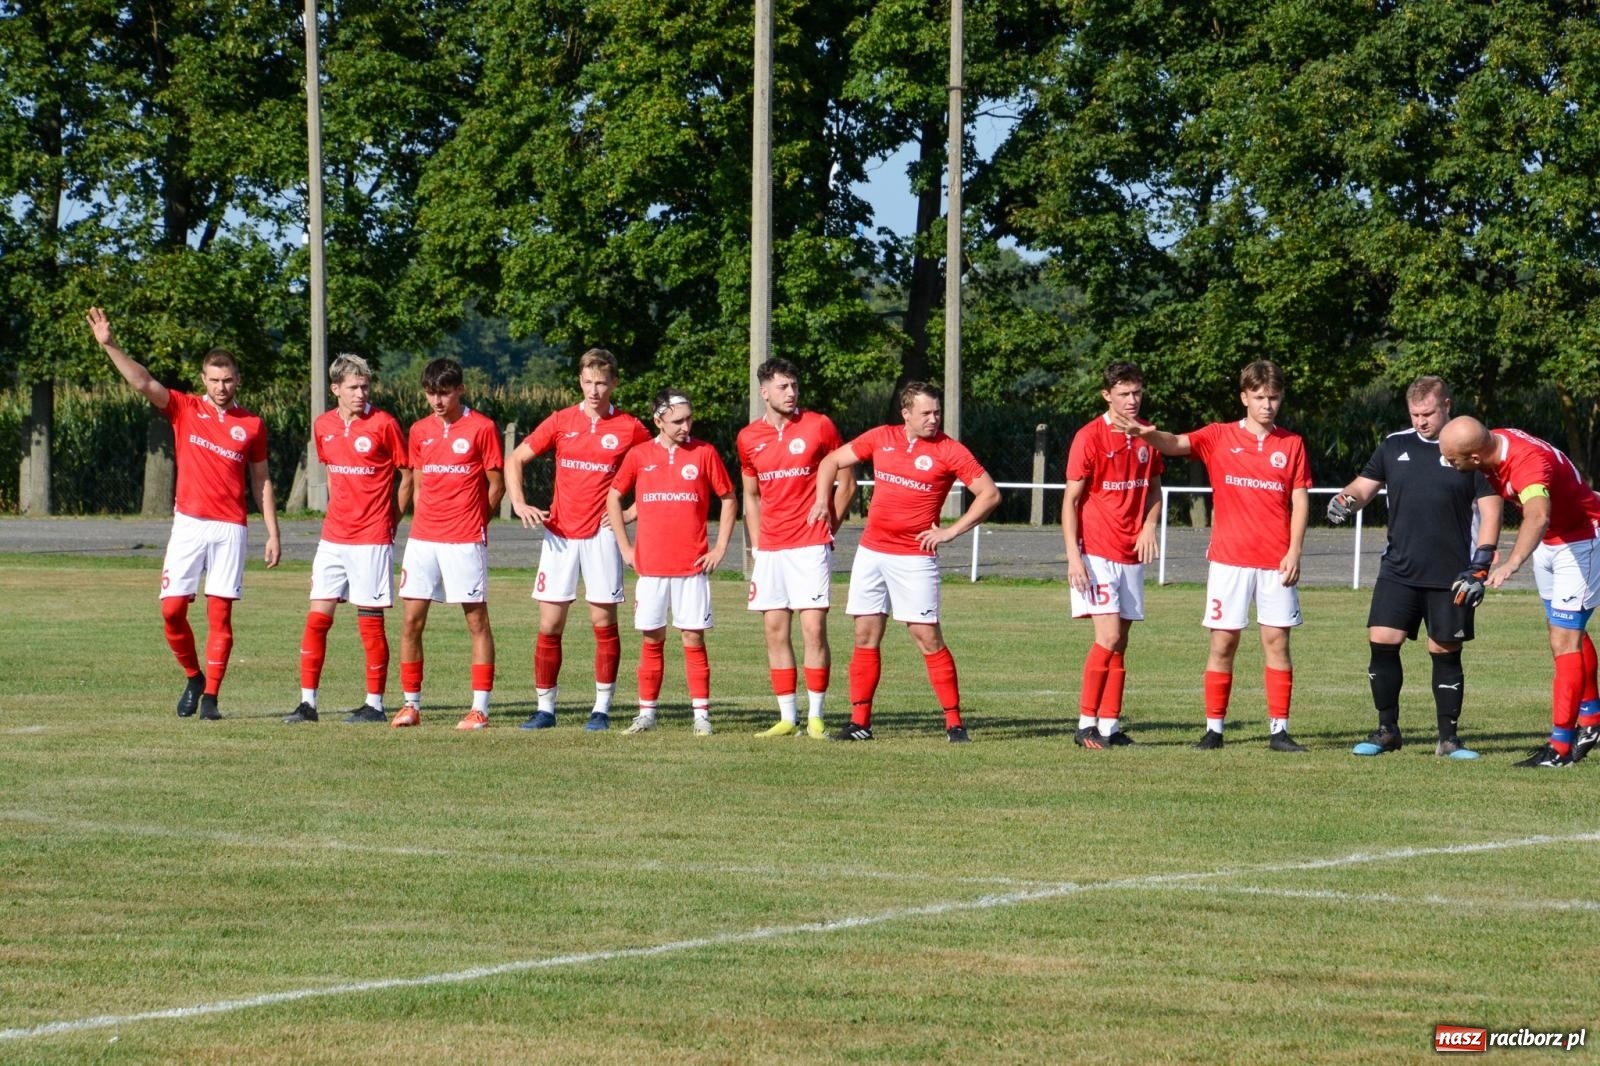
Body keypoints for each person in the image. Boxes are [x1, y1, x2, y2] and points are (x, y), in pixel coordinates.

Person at [86, 307, 280, 720]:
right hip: (189, 524)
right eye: (215, 380)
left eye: (228, 380)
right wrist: (110, 345)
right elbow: (143, 381)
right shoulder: (184, 408)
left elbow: (261, 480)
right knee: (172, 610)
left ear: (238, 380)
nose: (222, 387)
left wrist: (272, 533)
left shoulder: (252, 424)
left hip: (230, 527)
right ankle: (193, 676)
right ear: (203, 379)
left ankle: (211, 698)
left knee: (220, 615)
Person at [1115, 360, 1311, 751]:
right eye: (1259, 397)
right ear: (1244, 398)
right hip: (1228, 561)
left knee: (1277, 642)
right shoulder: (1219, 435)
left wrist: (1294, 551)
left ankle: (1279, 731)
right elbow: (1176, 443)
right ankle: (1214, 730)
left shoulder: (1291, 444)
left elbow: (1300, 499)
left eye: (1273, 398)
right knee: (1223, 644)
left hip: (1275, 562)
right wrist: (1147, 435)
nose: (1267, 405)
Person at [809, 381, 1001, 742]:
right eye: (926, 412)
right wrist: (822, 500)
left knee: (926, 636)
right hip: (872, 552)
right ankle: (860, 723)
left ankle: (955, 724)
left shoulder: (950, 450)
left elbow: (989, 494)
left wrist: (950, 532)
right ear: (906, 413)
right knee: (865, 634)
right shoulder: (881, 437)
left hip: (914, 558)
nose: (934, 419)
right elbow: (831, 461)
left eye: (937, 412)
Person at [1325, 377, 1502, 758]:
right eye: (1415, 414)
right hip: (1398, 570)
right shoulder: (1394, 445)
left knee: (1445, 650)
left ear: (1447, 406)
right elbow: (1362, 488)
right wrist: (1345, 500)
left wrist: (1482, 561)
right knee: (1382, 641)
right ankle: (1387, 731)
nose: (1421, 421)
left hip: (1452, 575)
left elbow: (1491, 510)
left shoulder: (1470, 449)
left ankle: (1448, 739)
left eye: (1428, 413)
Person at [1439, 416, 1600, 767]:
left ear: (1476, 457)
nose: (1448, 464)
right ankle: (1591, 720)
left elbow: (1538, 516)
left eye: (1452, 459)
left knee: (1565, 640)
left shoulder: (1527, 464)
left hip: (1582, 539)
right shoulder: (1492, 445)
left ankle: (1559, 749)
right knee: (1562, 632)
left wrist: (1511, 563)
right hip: (1551, 543)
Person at [504, 348, 652, 731]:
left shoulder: (630, 427)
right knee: (550, 623)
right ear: (580, 382)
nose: (594, 390)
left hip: (602, 536)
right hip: (559, 535)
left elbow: (654, 469)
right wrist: (519, 502)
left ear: (614, 382)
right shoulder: (561, 420)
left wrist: (630, 513)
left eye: (601, 382)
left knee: (603, 621)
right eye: (588, 382)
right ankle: (545, 709)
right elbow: (515, 459)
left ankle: (601, 709)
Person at [283, 354, 408, 724]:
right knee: (317, 619)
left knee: (369, 622)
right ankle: (308, 704)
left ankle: (375, 705)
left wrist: (391, 522)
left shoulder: (384, 423)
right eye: (353, 387)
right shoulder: (323, 425)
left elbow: (407, 476)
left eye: (365, 386)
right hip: (333, 538)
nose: (360, 393)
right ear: (335, 388)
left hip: (372, 538)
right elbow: (333, 475)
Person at [605, 389, 736, 735]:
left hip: (692, 567)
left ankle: (701, 716)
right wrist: (625, 548)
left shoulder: (704, 452)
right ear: (658, 421)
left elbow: (728, 498)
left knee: (693, 638)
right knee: (652, 638)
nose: (685, 426)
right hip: (651, 567)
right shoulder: (639, 455)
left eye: (689, 418)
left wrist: (720, 548)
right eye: (677, 421)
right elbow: (614, 497)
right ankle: (646, 714)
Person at [737, 358, 853, 738]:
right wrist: (757, 545)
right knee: (774, 630)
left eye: (794, 386)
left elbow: (847, 483)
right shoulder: (748, 438)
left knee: (813, 628)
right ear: (764, 392)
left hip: (810, 545)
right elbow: (751, 495)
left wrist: (828, 528)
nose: (791, 393)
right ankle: (788, 718)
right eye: (783, 387)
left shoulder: (819, 426)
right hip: (771, 549)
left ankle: (817, 715)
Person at [393, 358, 505, 730]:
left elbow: (496, 485)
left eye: (444, 393)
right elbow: (419, 483)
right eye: (431, 393)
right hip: (423, 540)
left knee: (477, 621)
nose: (437, 401)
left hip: (464, 540)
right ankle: (410, 705)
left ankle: (480, 709)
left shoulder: (482, 427)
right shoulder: (419, 430)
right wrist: (420, 522)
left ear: (460, 389)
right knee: (411, 621)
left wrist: (477, 524)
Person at [1063, 361, 1163, 748]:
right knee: (1106, 636)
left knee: (1121, 642)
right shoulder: (1089, 437)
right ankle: (1085, 724)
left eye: (1137, 392)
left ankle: (1110, 726)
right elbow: (1071, 501)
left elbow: (1154, 490)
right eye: (1123, 393)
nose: (1132, 400)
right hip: (1097, 552)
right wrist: (1074, 557)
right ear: (1107, 395)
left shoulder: (1148, 435)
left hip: (1130, 553)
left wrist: (1149, 525)